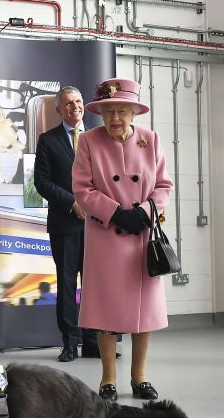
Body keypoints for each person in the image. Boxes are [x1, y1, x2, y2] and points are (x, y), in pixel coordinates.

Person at [73, 78, 173, 401]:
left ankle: (139, 378)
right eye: (108, 111)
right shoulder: (88, 141)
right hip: (106, 238)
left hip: (142, 238)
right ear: (100, 113)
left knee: (141, 314)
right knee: (106, 313)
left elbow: (164, 186)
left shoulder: (151, 140)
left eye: (121, 111)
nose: (115, 118)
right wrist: (115, 213)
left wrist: (146, 211)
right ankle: (108, 380)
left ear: (133, 112)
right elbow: (82, 189)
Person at [34, 86, 99, 361]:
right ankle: (70, 344)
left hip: (96, 225)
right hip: (65, 223)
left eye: (79, 102)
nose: (76, 107)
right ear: (59, 109)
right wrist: (73, 202)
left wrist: (96, 205)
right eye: (69, 104)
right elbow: (42, 183)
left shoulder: (97, 138)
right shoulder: (47, 141)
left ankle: (94, 342)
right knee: (68, 284)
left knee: (96, 284)